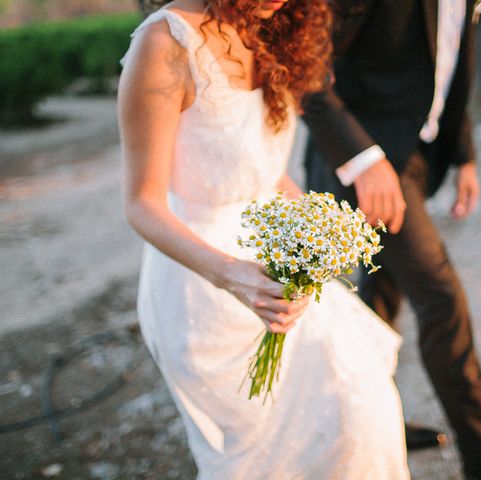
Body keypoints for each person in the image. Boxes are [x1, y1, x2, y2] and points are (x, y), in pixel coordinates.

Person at [118, 0, 411, 478]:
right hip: (204, 285)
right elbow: (141, 204)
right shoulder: (165, 42)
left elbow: (259, 171)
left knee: (360, 408)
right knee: (265, 461)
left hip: (277, 264)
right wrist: (234, 277)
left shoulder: (278, 32)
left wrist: (322, 228)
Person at [303, 1, 481, 480]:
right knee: (442, 301)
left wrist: (464, 156)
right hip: (364, 163)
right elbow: (305, 70)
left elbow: (449, 67)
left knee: (378, 299)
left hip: (416, 155)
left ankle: (377, 422)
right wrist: (363, 160)